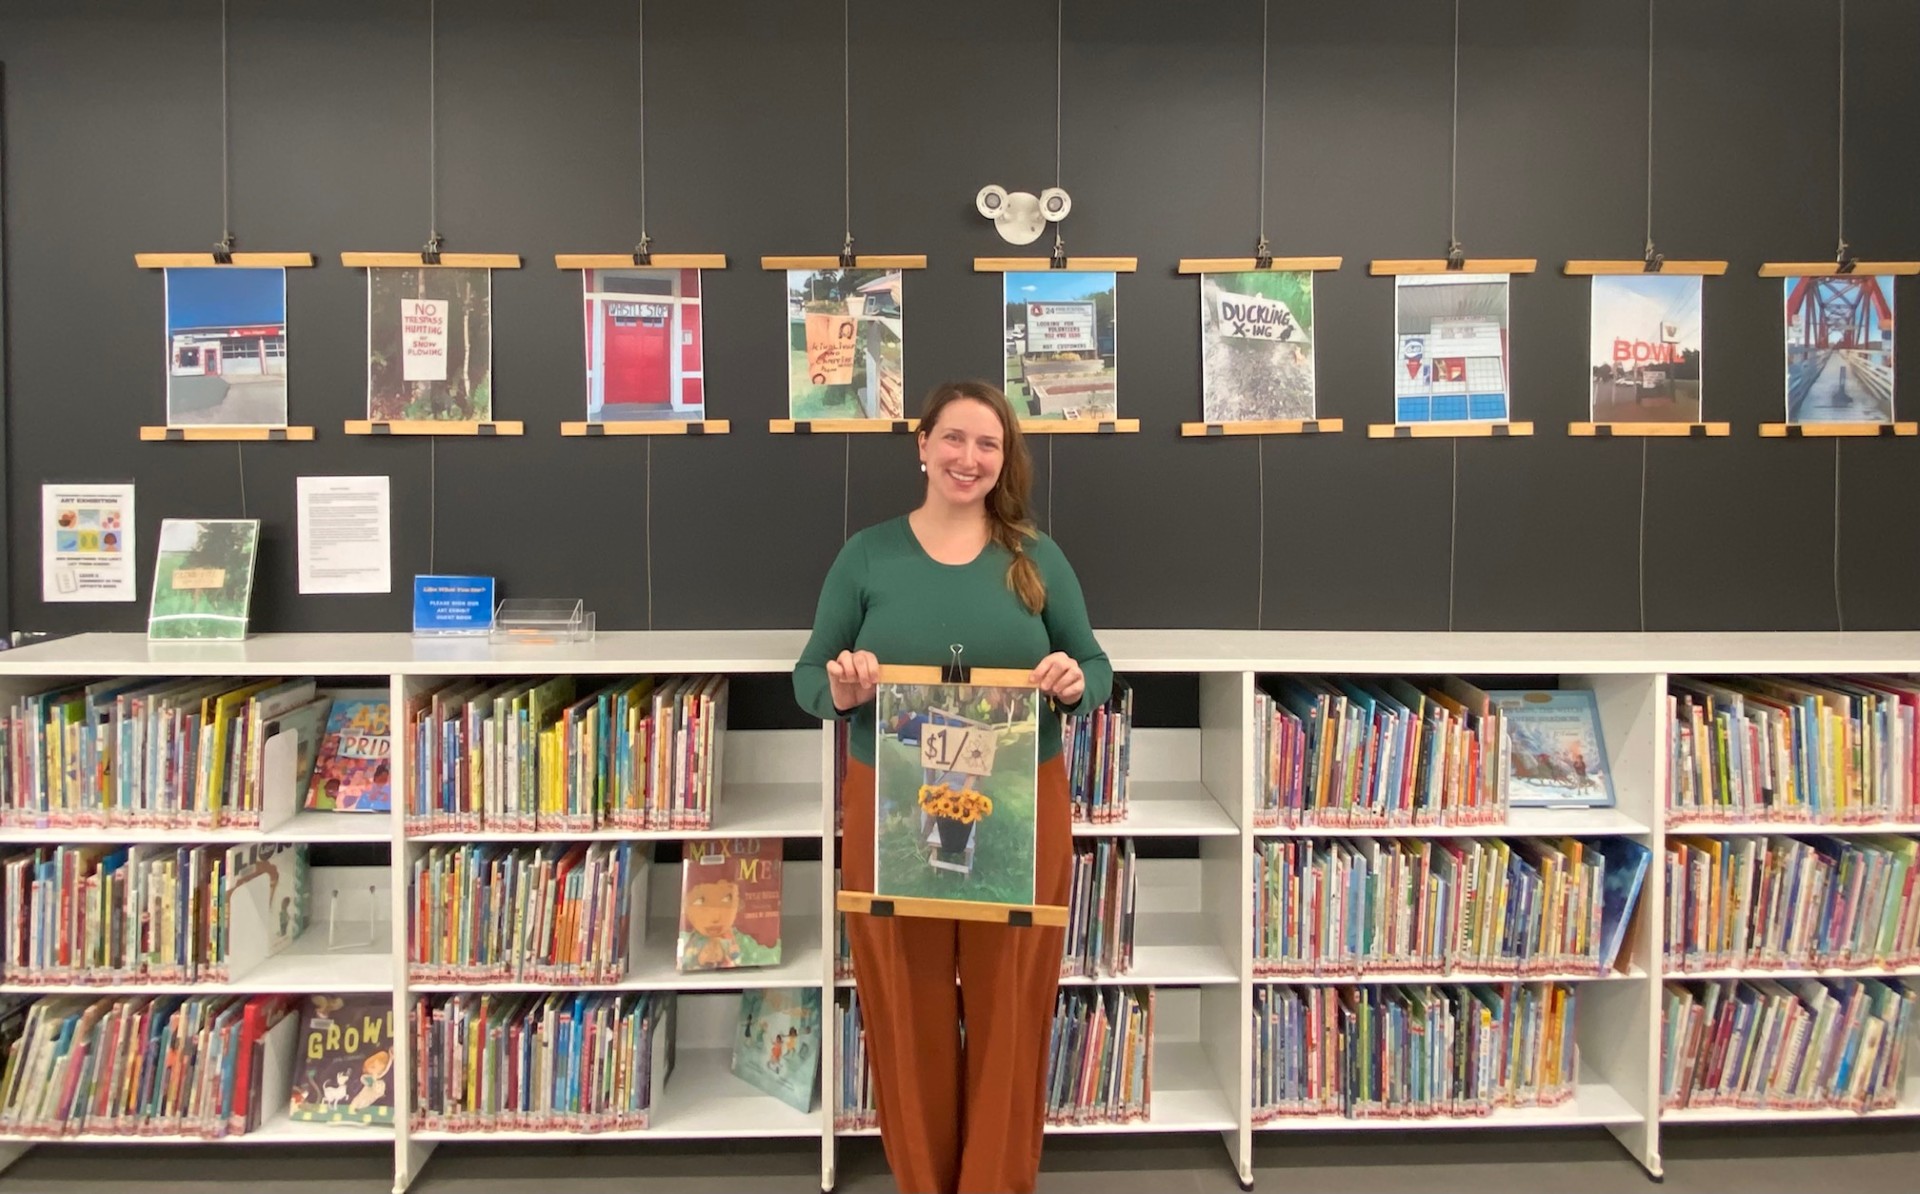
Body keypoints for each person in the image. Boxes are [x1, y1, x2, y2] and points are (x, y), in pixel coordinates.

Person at [794, 380, 1112, 1194]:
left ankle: (995, 1181)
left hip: (1015, 803)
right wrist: (846, 688)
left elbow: (1097, 667)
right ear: (922, 445)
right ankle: (925, 1180)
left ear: (1005, 459)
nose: (969, 459)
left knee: (1011, 1000)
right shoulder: (867, 555)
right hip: (895, 804)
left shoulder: (1035, 556)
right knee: (908, 999)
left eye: (989, 445)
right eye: (955, 440)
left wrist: (1074, 681)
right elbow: (806, 678)